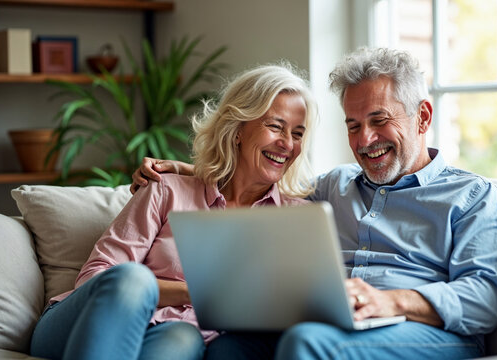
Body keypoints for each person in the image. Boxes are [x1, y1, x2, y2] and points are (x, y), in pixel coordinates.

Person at [132, 47, 497, 360]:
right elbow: (262, 179)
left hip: (424, 332)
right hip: (335, 325)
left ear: (422, 116)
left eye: (379, 120)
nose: (365, 140)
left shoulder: (472, 197)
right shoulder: (336, 185)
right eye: (353, 125)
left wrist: (391, 301)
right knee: (229, 347)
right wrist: (187, 170)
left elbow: (484, 296)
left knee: (306, 343)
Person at [29, 62, 317, 360]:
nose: (287, 144)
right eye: (275, 126)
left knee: (181, 340)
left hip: (180, 332)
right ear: (237, 129)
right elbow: (96, 279)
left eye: (297, 134)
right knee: (133, 279)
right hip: (88, 322)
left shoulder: (297, 219)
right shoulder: (166, 190)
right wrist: (190, 291)